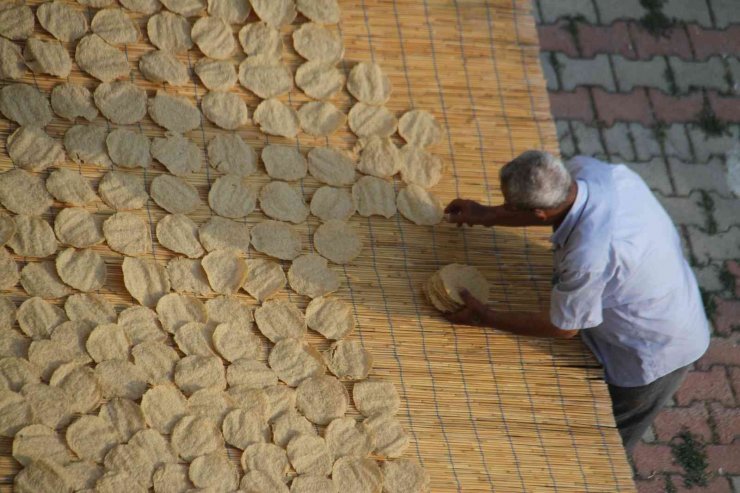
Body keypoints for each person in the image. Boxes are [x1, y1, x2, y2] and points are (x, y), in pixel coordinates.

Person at [444, 150, 710, 453]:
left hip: (658, 346)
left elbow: (563, 327)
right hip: (663, 287)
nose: (504, 208)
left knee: (604, 440)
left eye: (509, 206)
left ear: (538, 215)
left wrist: (487, 317)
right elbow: (551, 209)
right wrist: (487, 215)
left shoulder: (589, 259)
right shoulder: (592, 171)